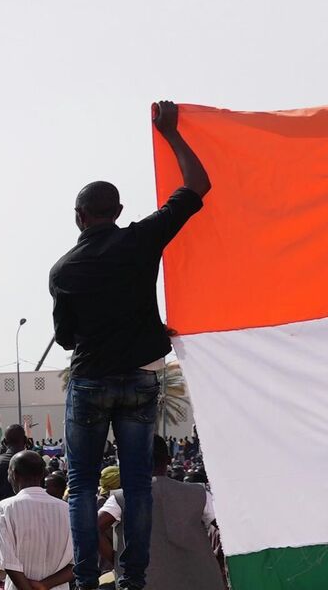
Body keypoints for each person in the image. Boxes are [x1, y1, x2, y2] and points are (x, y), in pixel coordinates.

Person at [50, 100, 211, 590]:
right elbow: (197, 186)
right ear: (118, 212)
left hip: (90, 380)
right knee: (138, 483)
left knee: (80, 485)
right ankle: (133, 578)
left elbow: (65, 338)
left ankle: (84, 578)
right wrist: (171, 134)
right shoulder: (141, 240)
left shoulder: (63, 271)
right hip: (141, 379)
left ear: (79, 217)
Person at [96, 440, 224, 590]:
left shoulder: (121, 498)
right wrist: (218, 561)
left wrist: (118, 561)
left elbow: (91, 529)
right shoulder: (200, 493)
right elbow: (227, 531)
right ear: (168, 460)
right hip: (201, 580)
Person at [0, 451, 74, 590]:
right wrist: (43, 585)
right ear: (42, 474)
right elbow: (75, 563)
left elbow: (7, 561)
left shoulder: (6, 508)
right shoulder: (66, 509)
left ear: (14, 474)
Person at [0, 424, 28, 515]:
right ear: (25, 440)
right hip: (29, 515)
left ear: (4, 442)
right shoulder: (35, 462)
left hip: (0, 516)